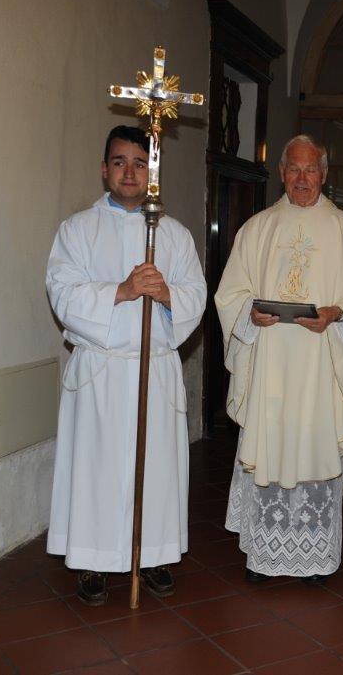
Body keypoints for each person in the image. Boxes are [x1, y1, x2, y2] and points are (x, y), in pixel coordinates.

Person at [46, 125, 207, 606]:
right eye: (120, 162)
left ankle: (152, 555)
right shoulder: (77, 230)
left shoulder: (173, 235)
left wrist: (167, 295)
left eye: (140, 163)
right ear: (105, 170)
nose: (130, 172)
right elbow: (62, 293)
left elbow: (196, 296)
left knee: (155, 470)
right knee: (96, 470)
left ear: (151, 173)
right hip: (102, 371)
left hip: (153, 370)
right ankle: (92, 561)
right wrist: (122, 290)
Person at [215, 134, 343, 585]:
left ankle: (315, 556)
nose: (302, 178)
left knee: (315, 445)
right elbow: (230, 293)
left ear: (324, 174)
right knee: (272, 442)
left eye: (311, 169)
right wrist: (250, 313)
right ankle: (264, 554)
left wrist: (336, 314)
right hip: (269, 362)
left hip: (322, 363)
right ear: (282, 173)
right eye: (294, 169)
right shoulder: (257, 229)